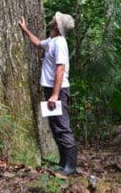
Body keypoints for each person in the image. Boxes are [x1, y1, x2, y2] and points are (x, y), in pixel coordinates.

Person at [18, 11, 77, 176]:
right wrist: (25, 29)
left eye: (55, 20)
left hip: (58, 90)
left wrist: (55, 95)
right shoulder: (52, 41)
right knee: (55, 125)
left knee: (62, 126)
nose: (52, 19)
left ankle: (71, 166)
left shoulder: (60, 43)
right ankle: (63, 162)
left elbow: (60, 69)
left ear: (57, 26)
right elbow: (38, 43)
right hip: (51, 89)